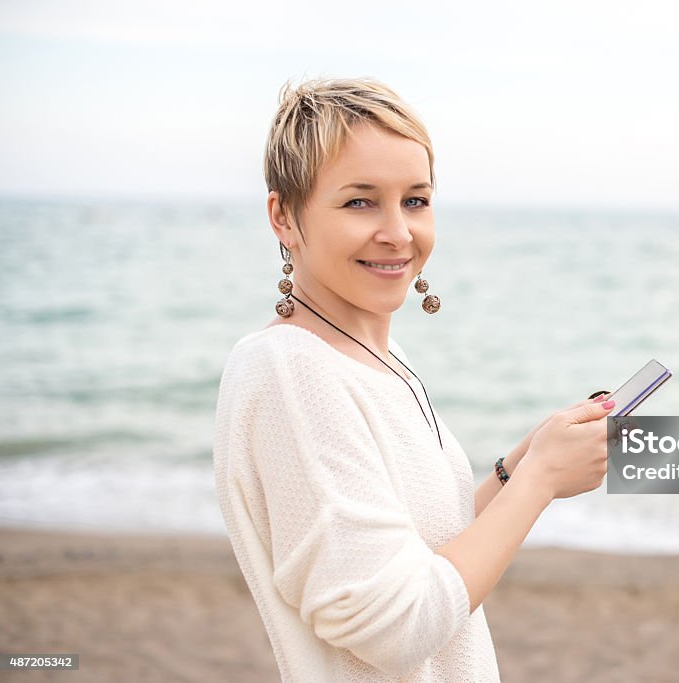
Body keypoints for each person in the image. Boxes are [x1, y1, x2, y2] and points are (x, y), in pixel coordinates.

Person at [213, 77, 614, 682]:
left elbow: (422, 558)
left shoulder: (374, 357)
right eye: (359, 201)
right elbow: (396, 628)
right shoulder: (292, 372)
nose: (398, 232)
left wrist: (518, 468)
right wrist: (540, 482)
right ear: (284, 216)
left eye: (416, 200)